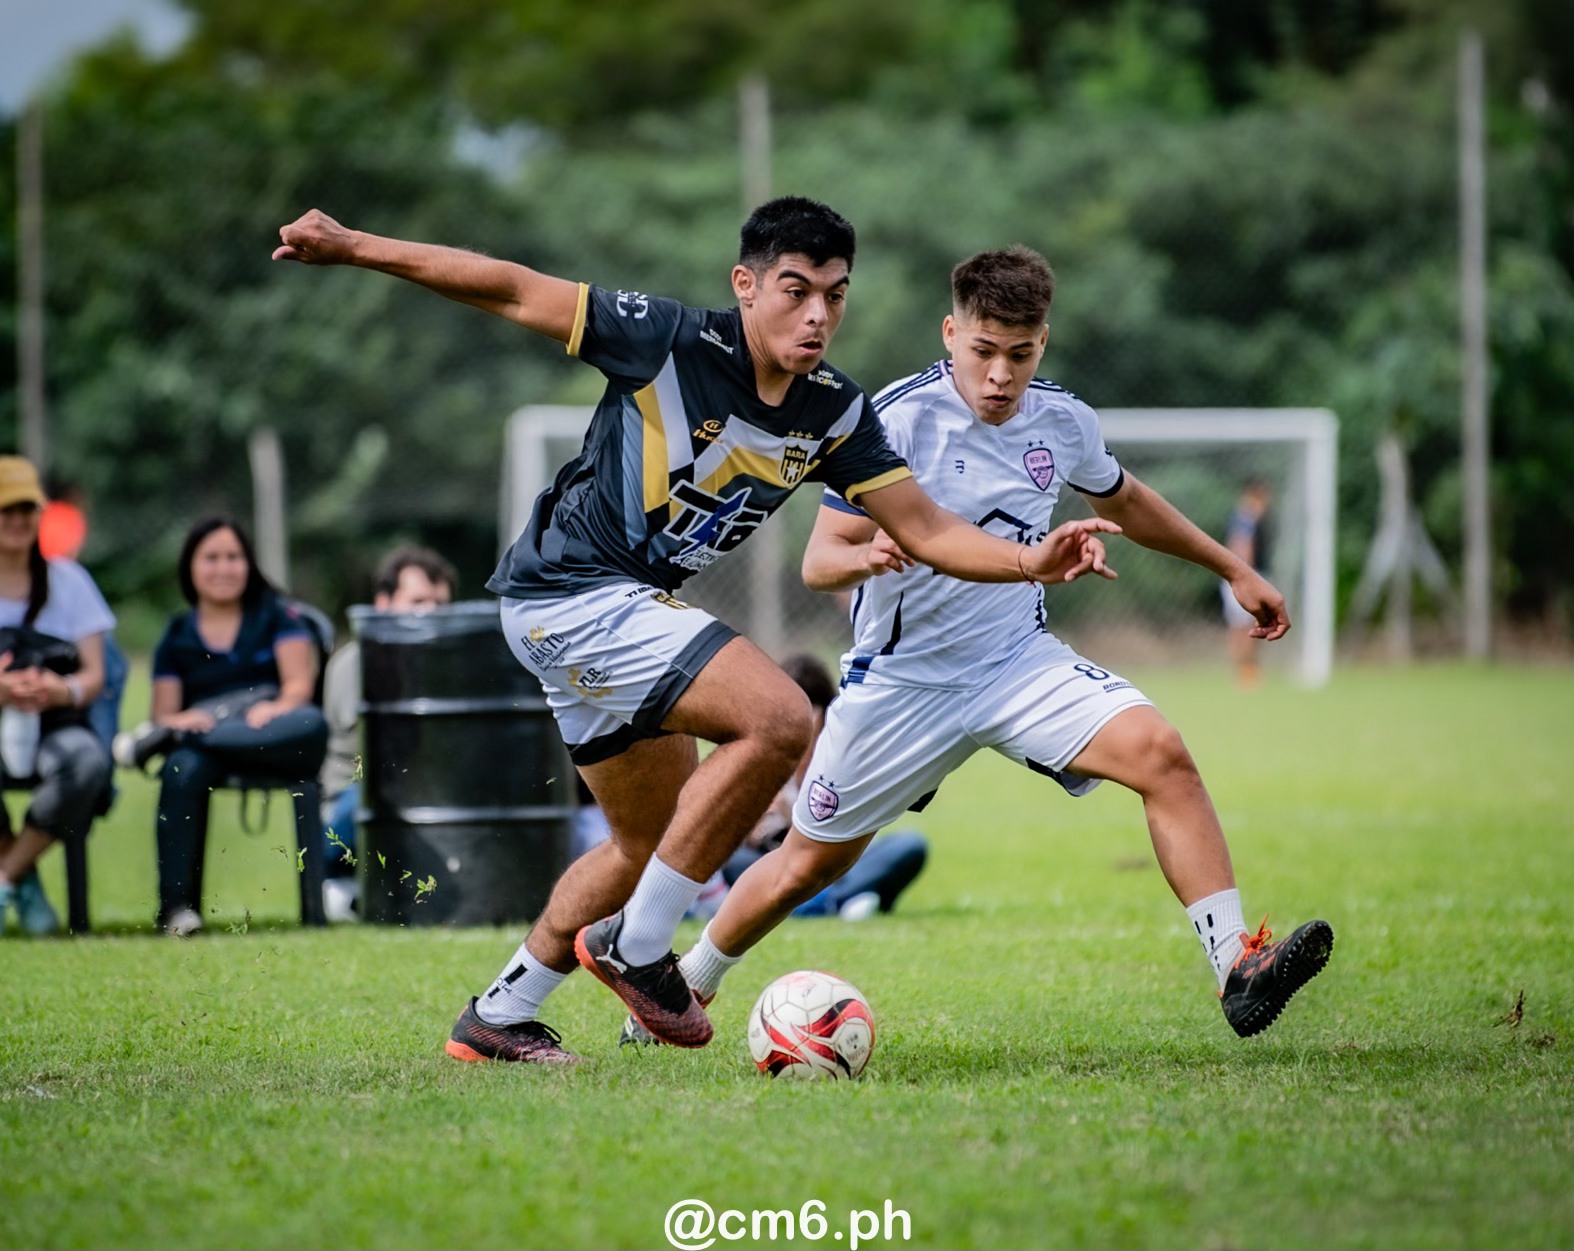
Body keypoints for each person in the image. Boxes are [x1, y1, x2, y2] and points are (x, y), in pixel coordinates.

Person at [273, 197, 1120, 1062]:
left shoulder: (834, 410)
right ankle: (639, 947)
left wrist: (1031, 559)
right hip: (569, 592)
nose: (818, 314)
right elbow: (512, 288)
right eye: (796, 290)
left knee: (650, 842)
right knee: (780, 716)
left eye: (835, 294)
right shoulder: (667, 340)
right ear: (745, 285)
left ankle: (499, 1014)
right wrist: (354, 246)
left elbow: (927, 528)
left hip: (618, 612)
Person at [654, 246, 1332, 1043]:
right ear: (951, 334)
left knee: (1162, 752)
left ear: (1043, 343)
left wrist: (1233, 568)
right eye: (984, 351)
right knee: (810, 862)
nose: (1001, 375)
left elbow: (1131, 501)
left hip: (1015, 663)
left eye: (1021, 353)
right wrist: (870, 553)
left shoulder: (1064, 421)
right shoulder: (893, 419)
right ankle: (684, 985)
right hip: (901, 683)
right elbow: (820, 560)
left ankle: (1236, 966)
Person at [137, 516, 328, 937]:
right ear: (190, 566)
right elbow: (163, 713)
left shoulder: (278, 616)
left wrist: (277, 708)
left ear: (248, 564)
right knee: (182, 767)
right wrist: (178, 722)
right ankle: (176, 910)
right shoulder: (177, 634)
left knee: (311, 723)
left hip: (273, 736)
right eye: (211, 558)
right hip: (209, 752)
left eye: (233, 557)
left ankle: (182, 741)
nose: (223, 568)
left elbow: (299, 687)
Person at [0, 457, 114, 936]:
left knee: (86, 763)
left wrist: (59, 689)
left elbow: (95, 674)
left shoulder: (69, 581)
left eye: (26, 509)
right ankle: (22, 883)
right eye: (6, 510)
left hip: (56, 725)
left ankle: (6, 876)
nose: (17, 520)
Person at [319, 545, 457, 921]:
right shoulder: (356, 661)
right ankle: (340, 881)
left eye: (439, 604)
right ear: (383, 603)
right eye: (417, 601)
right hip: (353, 798)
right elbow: (382, 745)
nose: (429, 613)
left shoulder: (453, 663)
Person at [1222, 481, 1273, 688]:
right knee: (1244, 626)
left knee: (1247, 624)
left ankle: (1246, 669)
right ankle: (1244, 670)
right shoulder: (1246, 518)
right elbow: (1241, 545)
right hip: (1246, 576)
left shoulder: (1244, 518)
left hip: (1246, 575)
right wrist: (1246, 576)